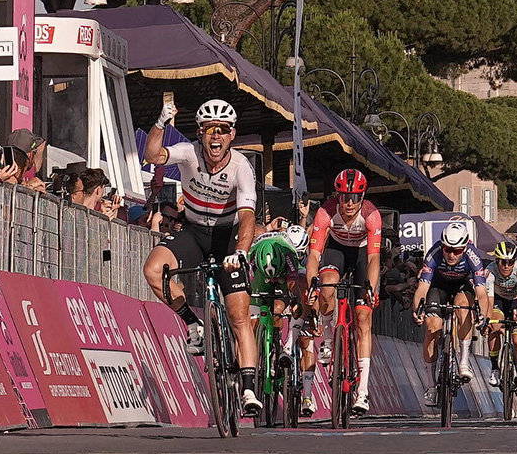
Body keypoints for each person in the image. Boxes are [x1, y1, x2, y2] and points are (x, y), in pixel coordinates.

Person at [141, 99, 261, 412]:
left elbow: (248, 216)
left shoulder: (241, 168)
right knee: (154, 269)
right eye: (210, 130)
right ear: (201, 133)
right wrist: (160, 122)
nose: (216, 136)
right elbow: (152, 155)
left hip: (227, 238)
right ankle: (193, 323)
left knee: (239, 317)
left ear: (232, 134)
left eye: (222, 130)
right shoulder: (187, 152)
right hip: (193, 230)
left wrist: (241, 252)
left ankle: (248, 390)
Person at [306, 168, 382, 416]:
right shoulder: (326, 212)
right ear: (337, 195)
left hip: (361, 255)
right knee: (326, 286)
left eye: (355, 197)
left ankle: (363, 391)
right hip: (336, 250)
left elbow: (373, 260)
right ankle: (328, 343)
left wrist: (370, 288)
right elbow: (315, 255)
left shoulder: (371, 216)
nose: (349, 203)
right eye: (344, 197)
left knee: (362, 316)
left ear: (363, 197)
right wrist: (311, 286)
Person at [411, 222, 489, 406]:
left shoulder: (473, 255)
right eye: (447, 249)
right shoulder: (434, 253)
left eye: (457, 250)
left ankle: (463, 361)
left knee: (463, 308)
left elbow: (482, 294)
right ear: (442, 245)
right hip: (439, 285)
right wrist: (417, 310)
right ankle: (431, 386)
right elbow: (422, 289)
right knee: (433, 329)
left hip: (463, 284)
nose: (451, 254)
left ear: (465, 247)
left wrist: (483, 315)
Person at [246, 226, 316, 416]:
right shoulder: (251, 254)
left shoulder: (290, 254)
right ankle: (259, 353)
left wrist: (295, 301)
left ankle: (278, 345)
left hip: (286, 276)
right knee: (250, 323)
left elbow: (293, 282)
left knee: (280, 307)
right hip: (260, 276)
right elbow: (244, 283)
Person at [485, 241, 517, 396]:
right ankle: (495, 368)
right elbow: (489, 299)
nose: (506, 266)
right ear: (497, 260)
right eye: (503, 262)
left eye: (510, 262)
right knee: (494, 326)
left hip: (516, 302)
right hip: (498, 302)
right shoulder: (490, 271)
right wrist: (487, 319)